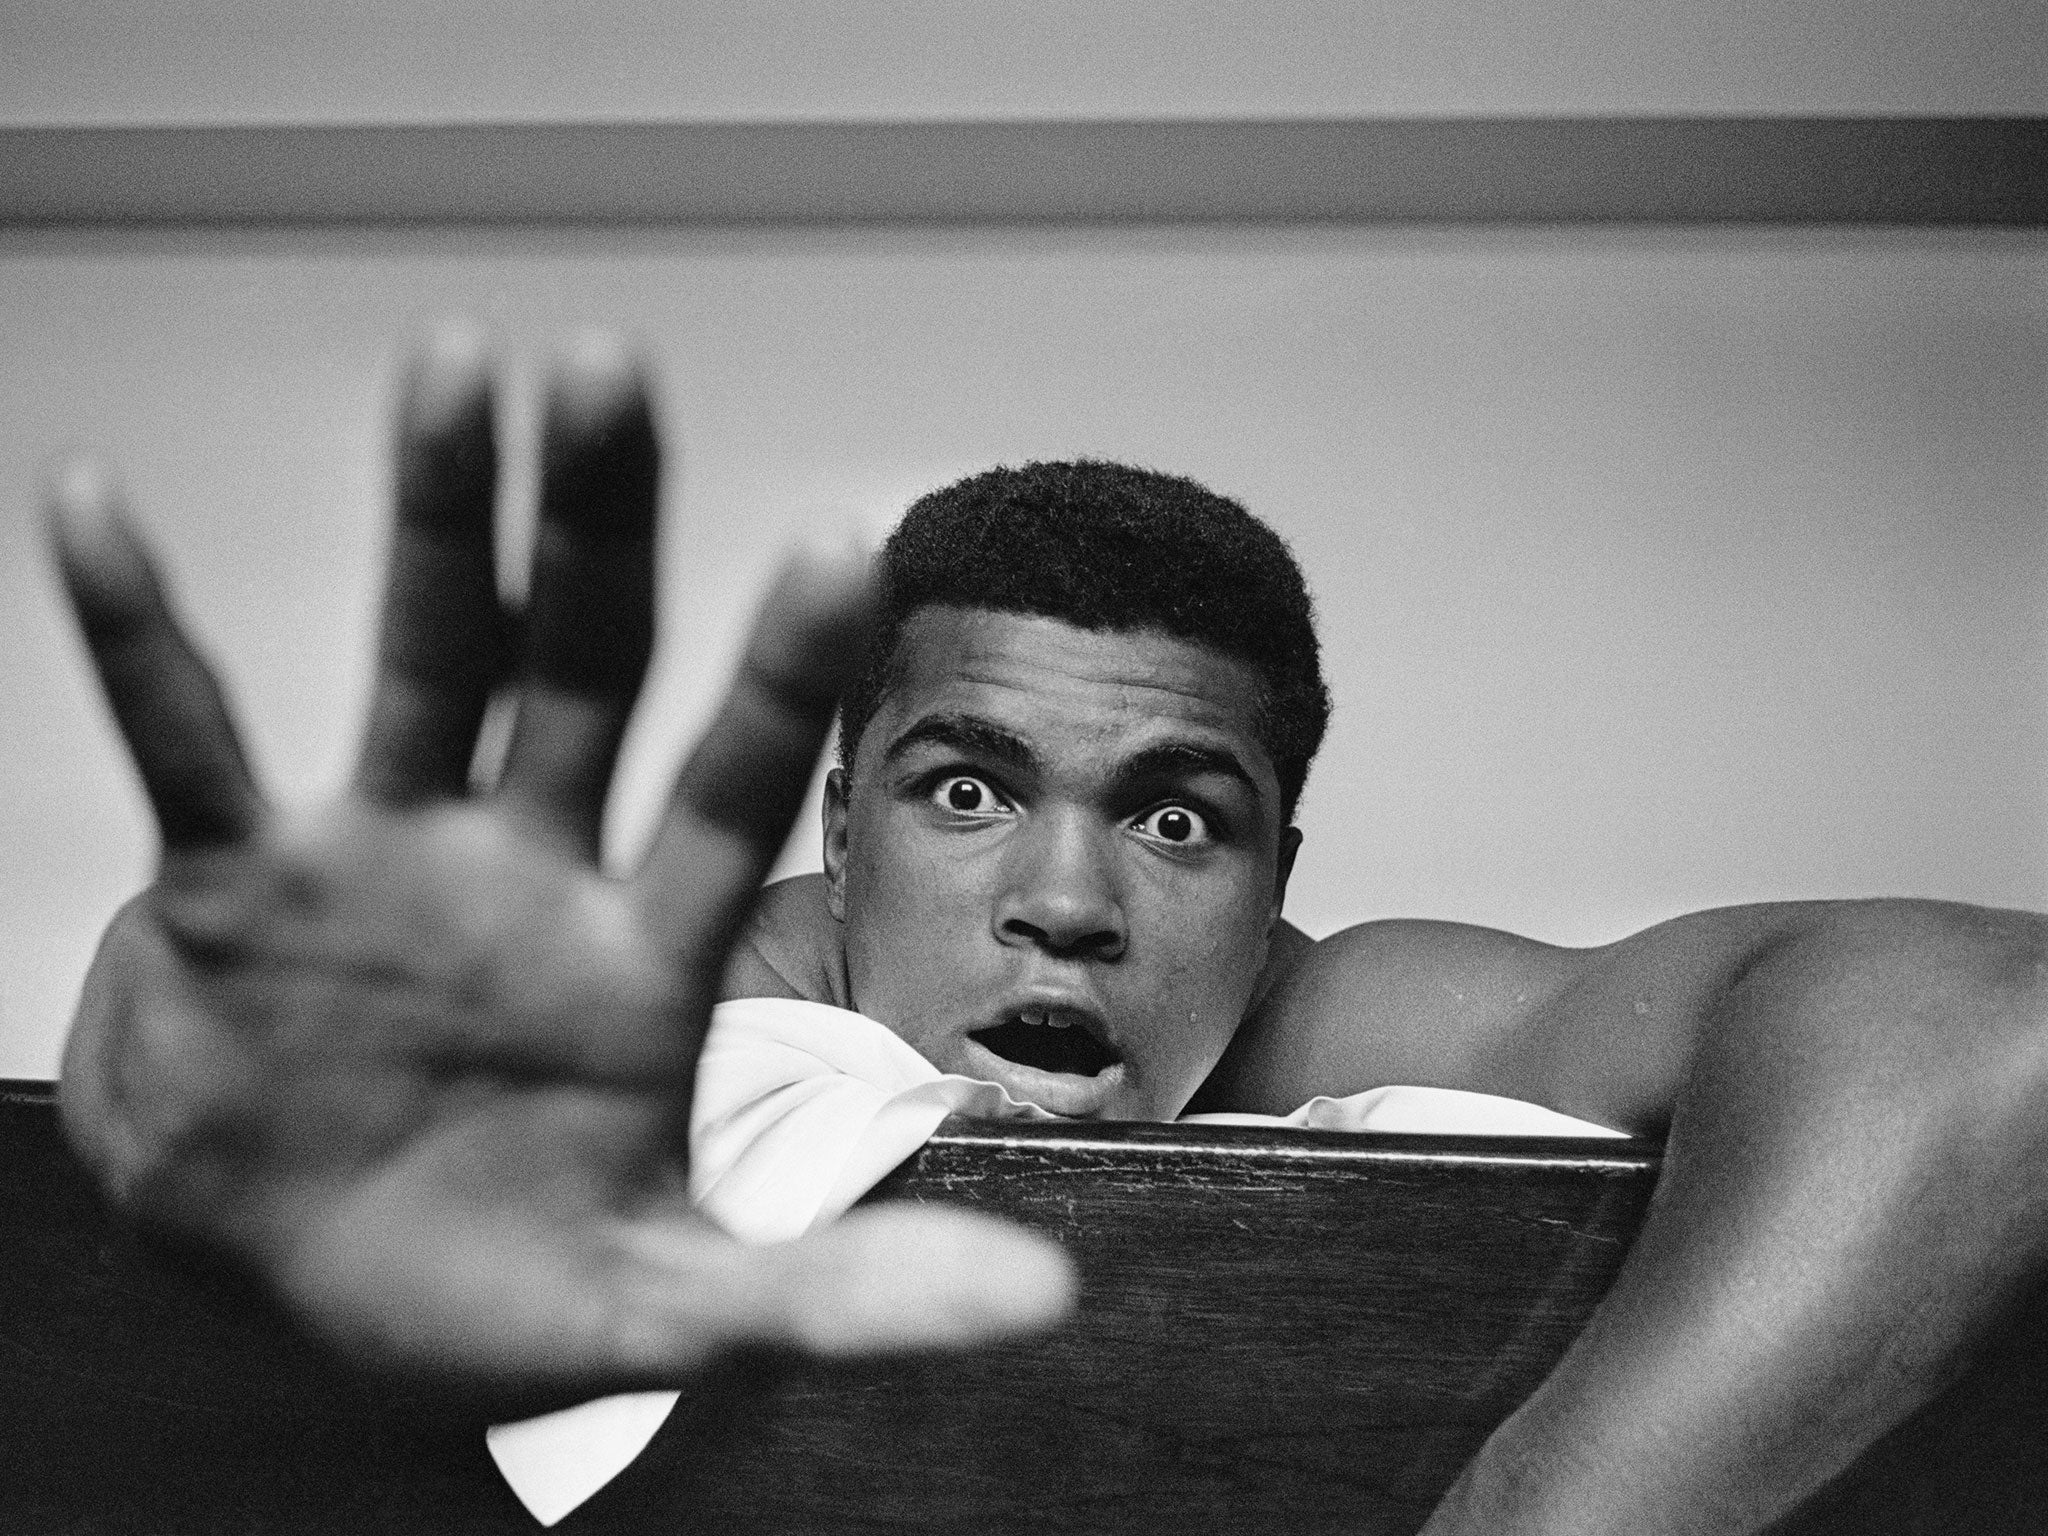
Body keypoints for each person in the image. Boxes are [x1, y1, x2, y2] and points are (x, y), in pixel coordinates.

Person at [49, 328, 2048, 1535]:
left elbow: (1979, 1020)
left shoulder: (1318, 1006)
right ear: (839, 813)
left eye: (1179, 820)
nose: (1072, 902)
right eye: (966, 789)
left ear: (1276, 877)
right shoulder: (664, 1009)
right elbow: (192, 1031)